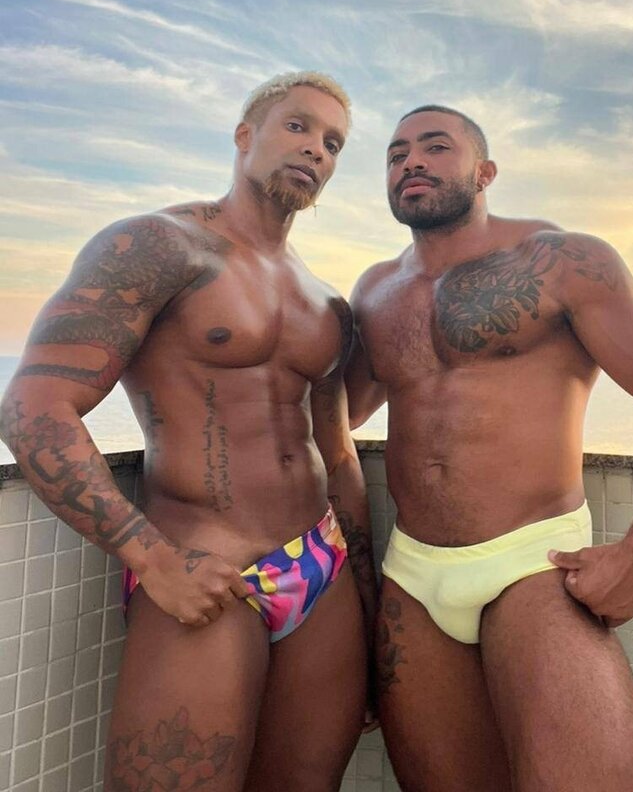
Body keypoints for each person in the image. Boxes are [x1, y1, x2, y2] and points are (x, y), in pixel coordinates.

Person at [0, 72, 376, 792]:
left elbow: (338, 457)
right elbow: (34, 405)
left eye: (333, 143)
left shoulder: (327, 304)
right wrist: (153, 559)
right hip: (203, 562)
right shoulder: (157, 246)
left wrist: (368, 605)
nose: (316, 150)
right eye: (298, 126)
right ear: (245, 135)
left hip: (320, 569)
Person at [346, 104, 633, 792]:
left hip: (533, 562)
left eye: (436, 146)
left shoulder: (561, 261)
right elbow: (333, 414)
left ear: (485, 171)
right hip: (413, 574)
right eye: (397, 154)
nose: (412, 162)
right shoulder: (376, 291)